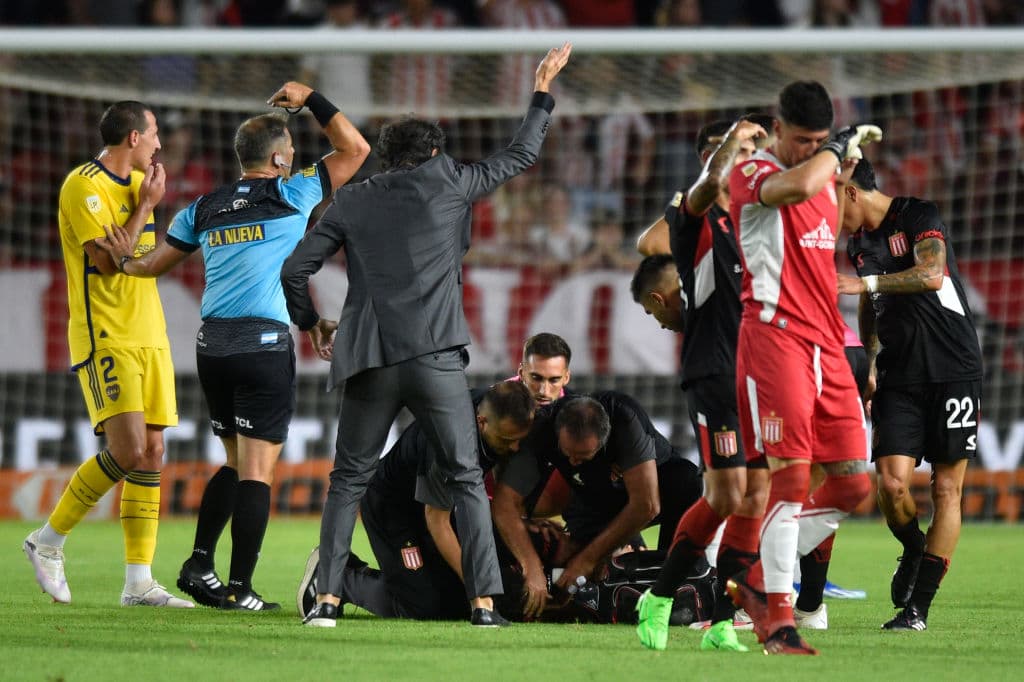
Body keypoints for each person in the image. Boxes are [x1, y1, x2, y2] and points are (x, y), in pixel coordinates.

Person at [281, 43, 573, 628]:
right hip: (435, 357)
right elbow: (521, 154)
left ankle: (329, 600)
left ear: (387, 160)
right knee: (465, 476)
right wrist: (542, 89)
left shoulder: (353, 199)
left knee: (348, 479)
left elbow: (294, 270)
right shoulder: (452, 182)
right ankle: (486, 604)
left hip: (368, 356)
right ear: (434, 153)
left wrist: (312, 324)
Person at [98, 82, 370, 610]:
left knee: (231, 460)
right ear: (276, 157)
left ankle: (200, 563)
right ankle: (242, 588)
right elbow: (355, 148)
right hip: (263, 344)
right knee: (258, 472)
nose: (295, 155)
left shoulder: (203, 207)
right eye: (290, 148)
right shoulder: (291, 193)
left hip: (212, 347)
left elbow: (151, 266)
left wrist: (123, 260)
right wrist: (313, 99)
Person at [724, 81, 879, 655]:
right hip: (774, 338)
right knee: (789, 474)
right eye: (802, 139)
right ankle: (779, 618)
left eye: (817, 139)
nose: (807, 147)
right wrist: (833, 154)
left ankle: (754, 572)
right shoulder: (751, 172)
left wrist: (839, 175)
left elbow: (825, 231)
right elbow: (798, 184)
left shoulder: (819, 173)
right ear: (779, 128)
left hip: (827, 344)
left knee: (852, 481)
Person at [22, 101, 194, 608]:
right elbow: (111, 261)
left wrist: (145, 207)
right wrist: (145, 208)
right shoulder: (84, 185)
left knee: (154, 453)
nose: (160, 144)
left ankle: (138, 582)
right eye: (156, 134)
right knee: (126, 450)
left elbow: (135, 253)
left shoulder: (141, 183)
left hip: (149, 331)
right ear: (134, 139)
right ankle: (47, 540)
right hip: (106, 335)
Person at [629, 116, 771, 653]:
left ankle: (721, 617)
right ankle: (659, 596)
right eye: (727, 149)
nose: (741, 155)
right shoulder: (692, 211)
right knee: (726, 492)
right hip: (714, 368)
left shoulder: (756, 213)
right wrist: (734, 145)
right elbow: (654, 238)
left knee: (757, 495)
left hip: (763, 366)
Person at [837, 157, 983, 631]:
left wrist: (867, 281)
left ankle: (916, 610)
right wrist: (872, 359)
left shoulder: (919, 214)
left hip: (953, 367)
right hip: (899, 374)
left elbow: (932, 274)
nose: (830, 214)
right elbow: (869, 303)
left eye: (834, 200)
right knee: (892, 485)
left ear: (853, 192)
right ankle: (915, 550)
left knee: (946, 488)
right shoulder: (857, 242)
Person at [296, 381, 536, 621]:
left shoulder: (498, 405)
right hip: (394, 509)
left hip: (437, 504)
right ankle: (341, 577)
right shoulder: (449, 445)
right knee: (423, 606)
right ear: (481, 422)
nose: (515, 447)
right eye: (506, 439)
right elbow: (437, 521)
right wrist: (480, 593)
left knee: (451, 594)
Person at [492, 393, 703, 620]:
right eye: (567, 454)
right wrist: (531, 566)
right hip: (592, 501)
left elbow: (646, 505)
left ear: (604, 440)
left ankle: (681, 589)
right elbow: (504, 504)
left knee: (687, 481)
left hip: (657, 493)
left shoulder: (625, 419)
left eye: (582, 457)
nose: (572, 461)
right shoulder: (542, 427)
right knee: (569, 576)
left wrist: (587, 560)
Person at [516, 332, 573, 406]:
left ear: (566, 378)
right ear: (521, 373)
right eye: (536, 378)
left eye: (554, 380)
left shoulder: (579, 411)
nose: (544, 392)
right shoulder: (499, 403)